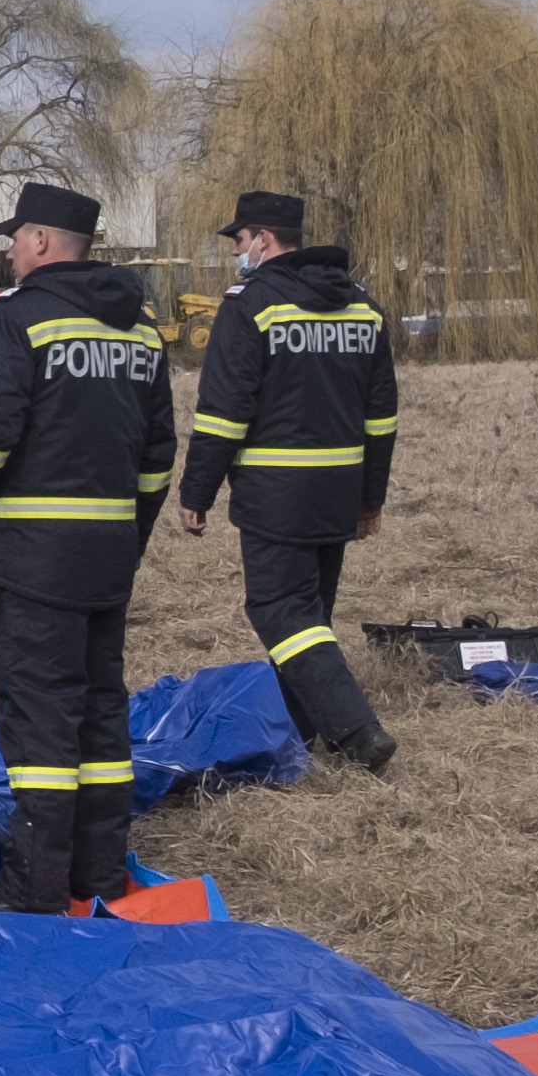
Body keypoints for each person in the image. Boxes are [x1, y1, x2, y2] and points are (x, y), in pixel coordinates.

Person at [0, 181, 174, 913]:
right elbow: (157, 455)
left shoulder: (19, 322)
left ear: (42, 242)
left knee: (40, 717)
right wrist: (131, 531)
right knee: (100, 709)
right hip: (109, 557)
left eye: (15, 236)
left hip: (35, 558)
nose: (10, 249)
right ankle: (98, 870)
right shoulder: (140, 331)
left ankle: (36, 886)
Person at [177, 189, 403, 773]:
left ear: (264, 239)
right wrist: (370, 497)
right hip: (339, 491)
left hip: (276, 492)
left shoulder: (251, 305)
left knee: (281, 611)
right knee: (311, 620)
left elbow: (223, 411)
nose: (237, 252)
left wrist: (196, 492)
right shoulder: (362, 306)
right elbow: (382, 417)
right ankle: (304, 738)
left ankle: (357, 729)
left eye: (239, 241)